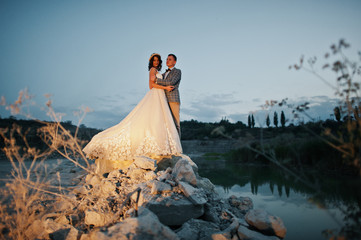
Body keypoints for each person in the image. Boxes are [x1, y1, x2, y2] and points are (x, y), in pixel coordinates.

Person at [83, 53, 182, 174]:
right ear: (151, 62)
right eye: (154, 60)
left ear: (173, 62)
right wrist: (164, 87)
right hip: (157, 94)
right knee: (153, 119)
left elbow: (168, 81)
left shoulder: (174, 71)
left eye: (158, 60)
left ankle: (173, 146)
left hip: (166, 97)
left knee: (164, 121)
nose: (157, 62)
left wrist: (159, 82)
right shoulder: (153, 70)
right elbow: (151, 86)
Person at [156, 54, 182, 137]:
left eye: (170, 59)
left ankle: (178, 146)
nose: (167, 60)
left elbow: (171, 83)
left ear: (174, 62)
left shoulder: (177, 71)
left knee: (176, 123)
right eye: (167, 59)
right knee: (167, 123)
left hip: (173, 100)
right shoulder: (163, 75)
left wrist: (157, 80)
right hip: (163, 100)